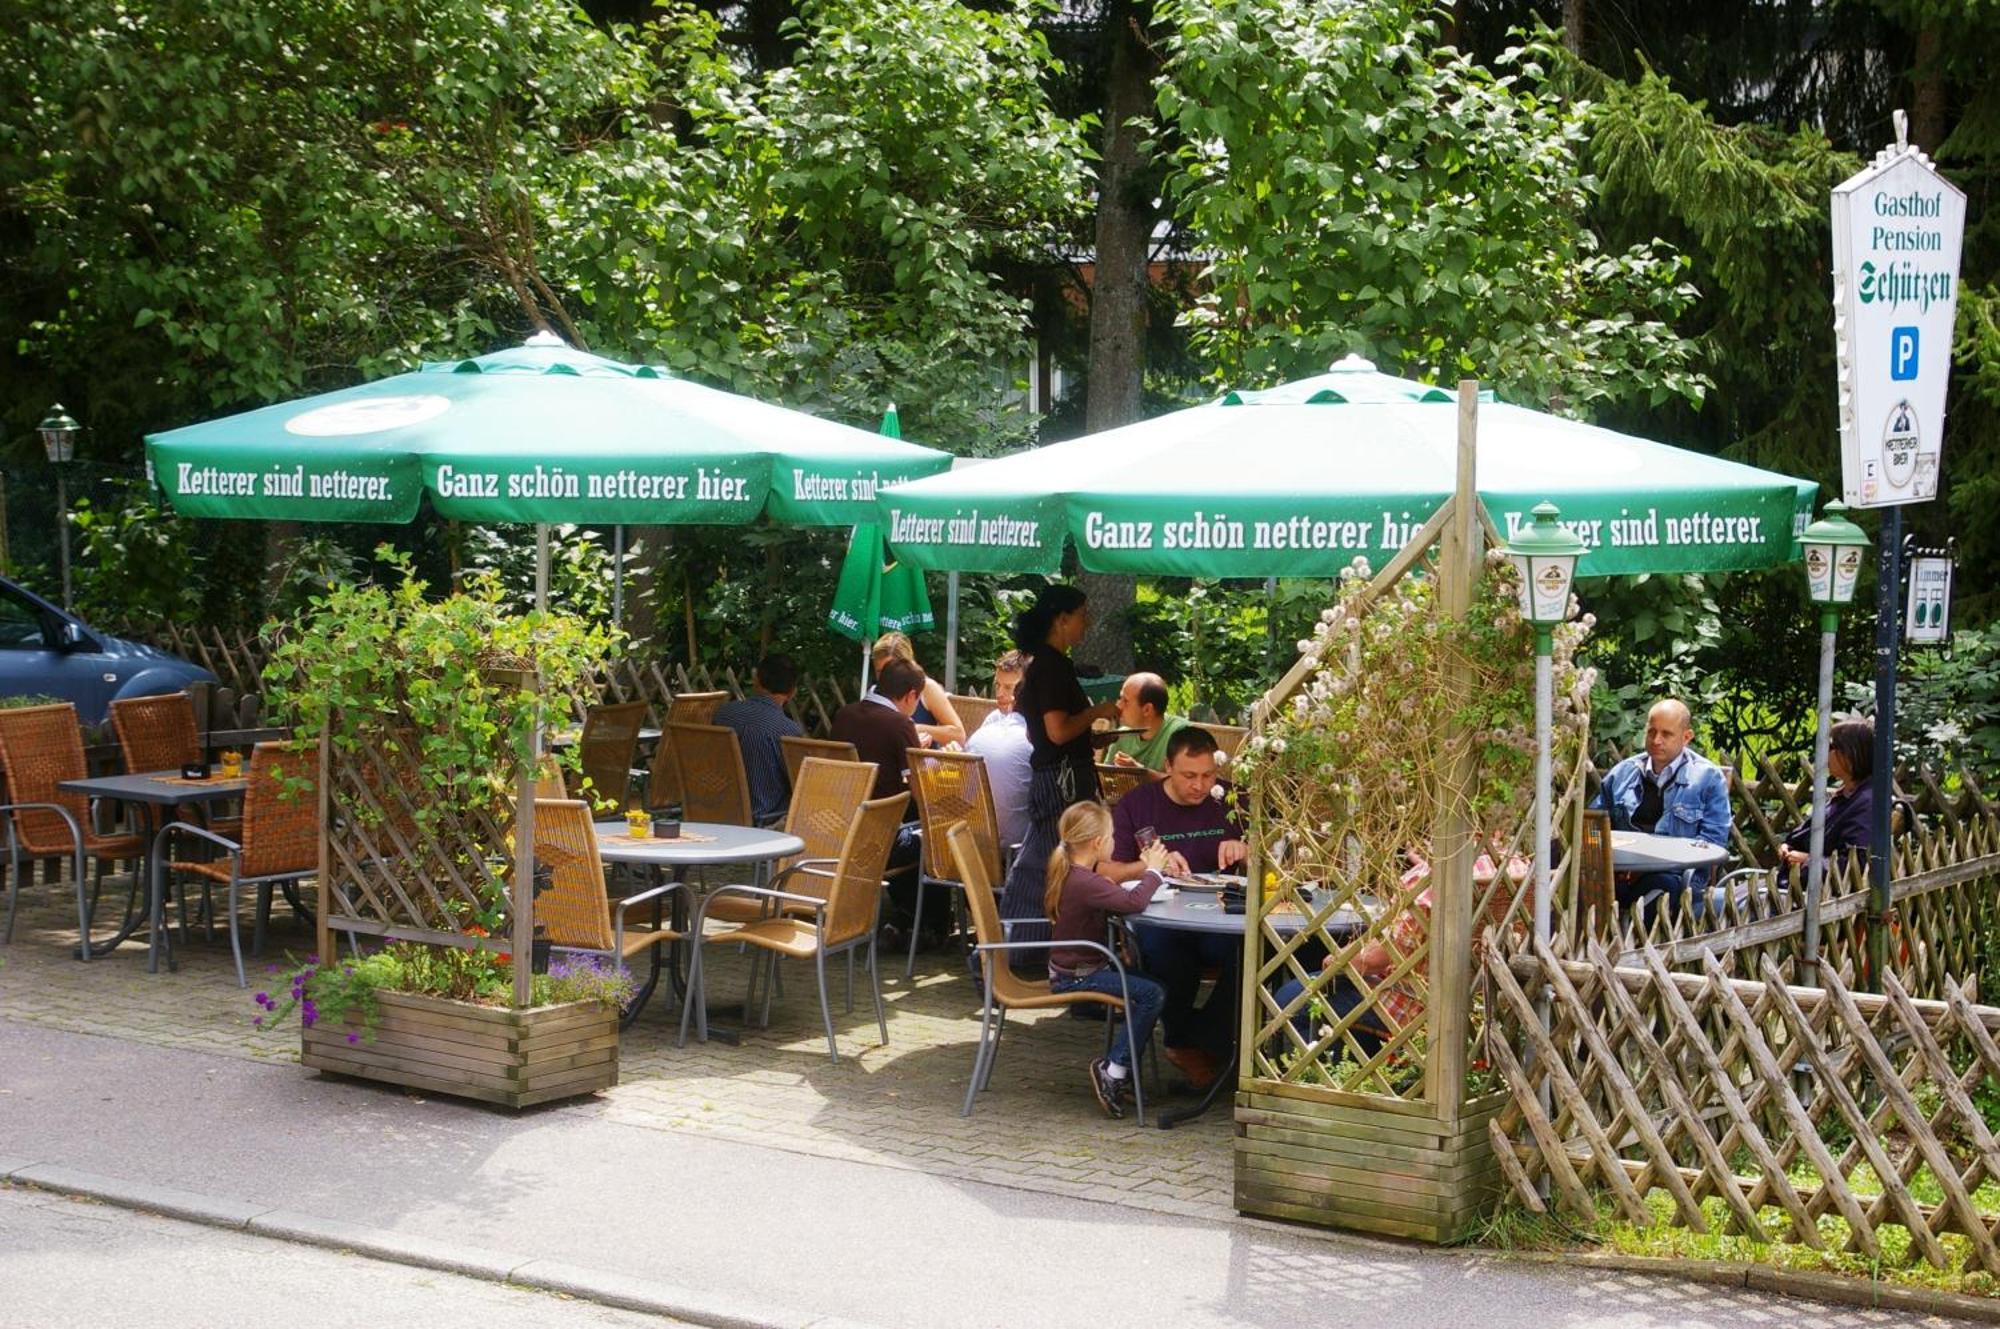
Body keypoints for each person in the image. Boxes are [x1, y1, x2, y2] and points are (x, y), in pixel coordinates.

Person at [1272, 848, 1528, 1056]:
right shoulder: (1516, 865)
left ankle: (1337, 1083)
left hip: (1414, 1003)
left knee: (1291, 997)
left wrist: (1339, 958)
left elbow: (1379, 958)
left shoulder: (1435, 878)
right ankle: (1374, 1072)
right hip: (1479, 1000)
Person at [1107, 727, 1247, 1085]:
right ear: (1167, 766)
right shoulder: (1138, 805)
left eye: (1208, 775)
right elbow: (1106, 872)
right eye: (1189, 776)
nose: (1200, 786)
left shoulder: (1230, 799)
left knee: (1249, 953)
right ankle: (1185, 1043)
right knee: (1163, 952)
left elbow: (1280, 855)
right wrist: (1151, 865)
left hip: (1220, 916)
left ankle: (1202, 1038)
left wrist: (1249, 850)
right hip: (1161, 918)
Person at [995, 586, 1122, 943]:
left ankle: (1034, 946)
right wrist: (1095, 712)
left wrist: (1089, 738)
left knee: (1052, 864)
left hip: (1060, 773)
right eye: (1083, 614)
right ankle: (1013, 948)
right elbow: (1056, 731)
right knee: (1044, 865)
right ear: (1062, 620)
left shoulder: (1047, 663)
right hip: (1059, 784)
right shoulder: (1050, 666)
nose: (1088, 622)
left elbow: (1052, 732)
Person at [1044, 800, 1169, 1118]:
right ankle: (1113, 1071)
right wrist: (1153, 870)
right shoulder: (1086, 882)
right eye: (1112, 836)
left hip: (1075, 967)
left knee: (1151, 983)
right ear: (1098, 843)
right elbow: (1134, 902)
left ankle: (1124, 1072)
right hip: (1077, 974)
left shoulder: (1075, 873)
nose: (1115, 842)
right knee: (1151, 993)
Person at [1591, 699, 1732, 911]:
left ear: (1686, 737)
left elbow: (1712, 843)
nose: (1656, 740)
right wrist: (1605, 858)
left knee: (1660, 889)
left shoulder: (1707, 779)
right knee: (1580, 884)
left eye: (1666, 734)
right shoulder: (1621, 774)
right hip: (1617, 874)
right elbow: (1592, 826)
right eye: (1651, 732)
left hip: (1676, 878)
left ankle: (1630, 941)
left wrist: (1648, 866)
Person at [831, 656, 930, 940]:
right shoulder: (899, 724)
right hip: (879, 840)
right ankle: (919, 924)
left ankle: (904, 918)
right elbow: (920, 789)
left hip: (838, 829)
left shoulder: (845, 714)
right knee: (932, 834)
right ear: (911, 695)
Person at [1777, 719, 1876, 885]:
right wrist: (1787, 847)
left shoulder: (1868, 803)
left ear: (1851, 754)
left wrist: (1808, 861)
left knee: (1720, 902)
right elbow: (1803, 835)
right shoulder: (1845, 796)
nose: (1825, 753)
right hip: (1791, 886)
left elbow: (1856, 866)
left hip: (1813, 899)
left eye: (1832, 747)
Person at [712, 653, 805, 823]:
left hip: (715, 807)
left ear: (756, 681)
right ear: (792, 691)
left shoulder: (724, 714)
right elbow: (799, 782)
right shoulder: (788, 731)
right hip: (763, 817)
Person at [963, 650, 1031, 847]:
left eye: (1009, 688)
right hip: (1009, 843)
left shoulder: (1031, 727)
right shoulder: (993, 720)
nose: (1000, 693)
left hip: (988, 840)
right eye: (998, 685)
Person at [870, 631, 966, 748]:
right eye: (880, 672)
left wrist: (915, 729)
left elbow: (959, 735)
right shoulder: (874, 693)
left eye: (890, 670)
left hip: (924, 762)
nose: (886, 678)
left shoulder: (927, 688)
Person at [1104, 673, 1188, 776]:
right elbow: (1105, 777)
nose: (1118, 705)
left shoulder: (1180, 733)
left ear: (1147, 709)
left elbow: (1185, 782)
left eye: (1125, 701)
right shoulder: (1122, 735)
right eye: (1119, 698)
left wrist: (1141, 772)